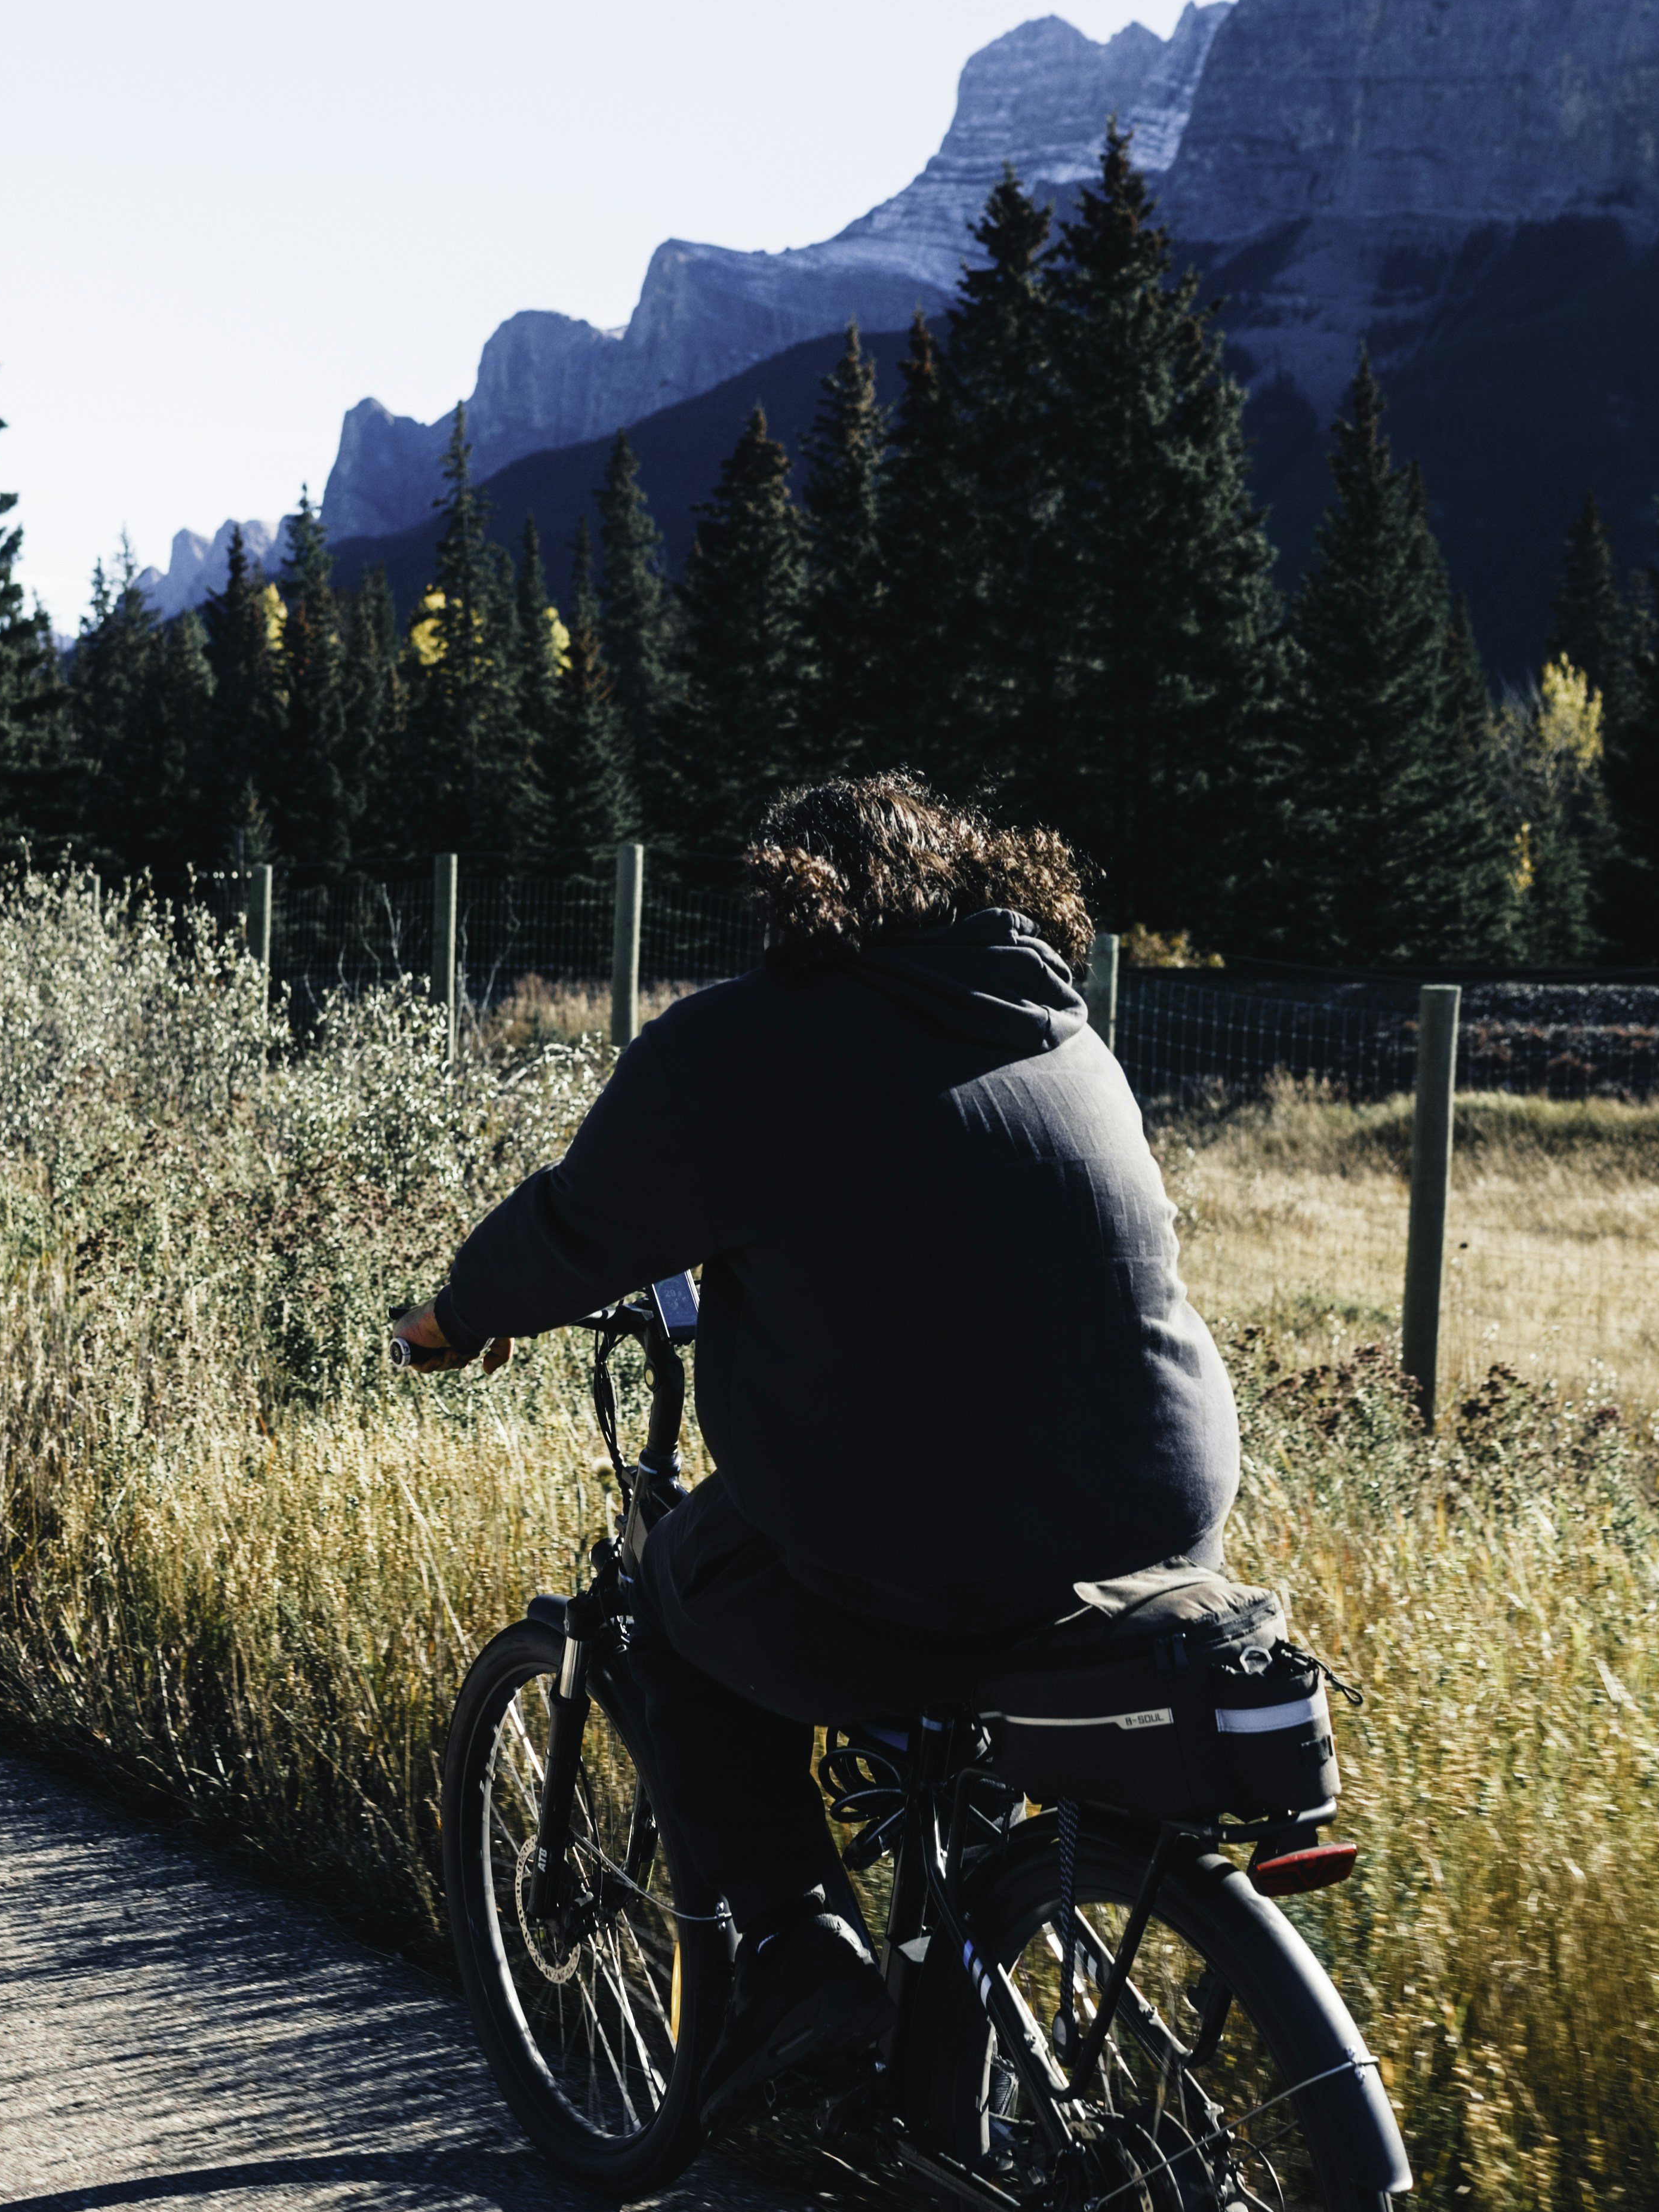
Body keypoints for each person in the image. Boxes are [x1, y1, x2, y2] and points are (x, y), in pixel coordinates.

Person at [392, 773, 1238, 2110]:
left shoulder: (751, 1045)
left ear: (802, 895)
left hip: (951, 1544)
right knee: (942, 1662)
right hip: (1162, 1514)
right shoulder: (1058, 1024)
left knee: (681, 1597)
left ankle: (798, 1944)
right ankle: (969, 1989)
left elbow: (575, 1226)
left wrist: (451, 1319)